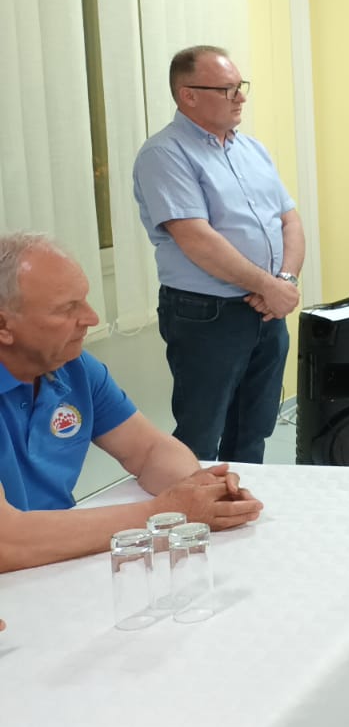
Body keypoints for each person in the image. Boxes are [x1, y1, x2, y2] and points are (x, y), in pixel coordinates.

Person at [0, 233, 263, 574]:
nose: (92, 318)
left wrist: (202, 490)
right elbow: (6, 541)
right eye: (67, 309)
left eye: (84, 301)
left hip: (51, 563)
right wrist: (164, 512)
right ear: (4, 325)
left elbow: (149, 450)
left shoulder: (74, 368)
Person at [133, 45, 303, 464]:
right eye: (228, 89)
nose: (240, 97)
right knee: (201, 432)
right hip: (207, 314)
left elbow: (290, 221)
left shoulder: (252, 150)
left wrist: (284, 282)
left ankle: (240, 499)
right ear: (188, 95)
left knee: (254, 428)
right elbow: (196, 239)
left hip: (267, 311)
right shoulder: (165, 154)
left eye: (240, 86)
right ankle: (195, 505)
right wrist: (269, 286)